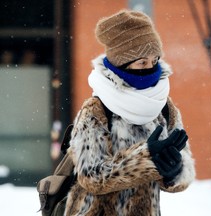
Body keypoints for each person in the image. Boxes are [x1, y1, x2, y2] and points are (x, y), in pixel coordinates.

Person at [64, 9, 195, 216]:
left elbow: (183, 169)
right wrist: (147, 158)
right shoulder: (97, 109)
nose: (150, 68)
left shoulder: (163, 107)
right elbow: (90, 176)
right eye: (142, 62)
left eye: (154, 61)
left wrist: (173, 171)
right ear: (121, 65)